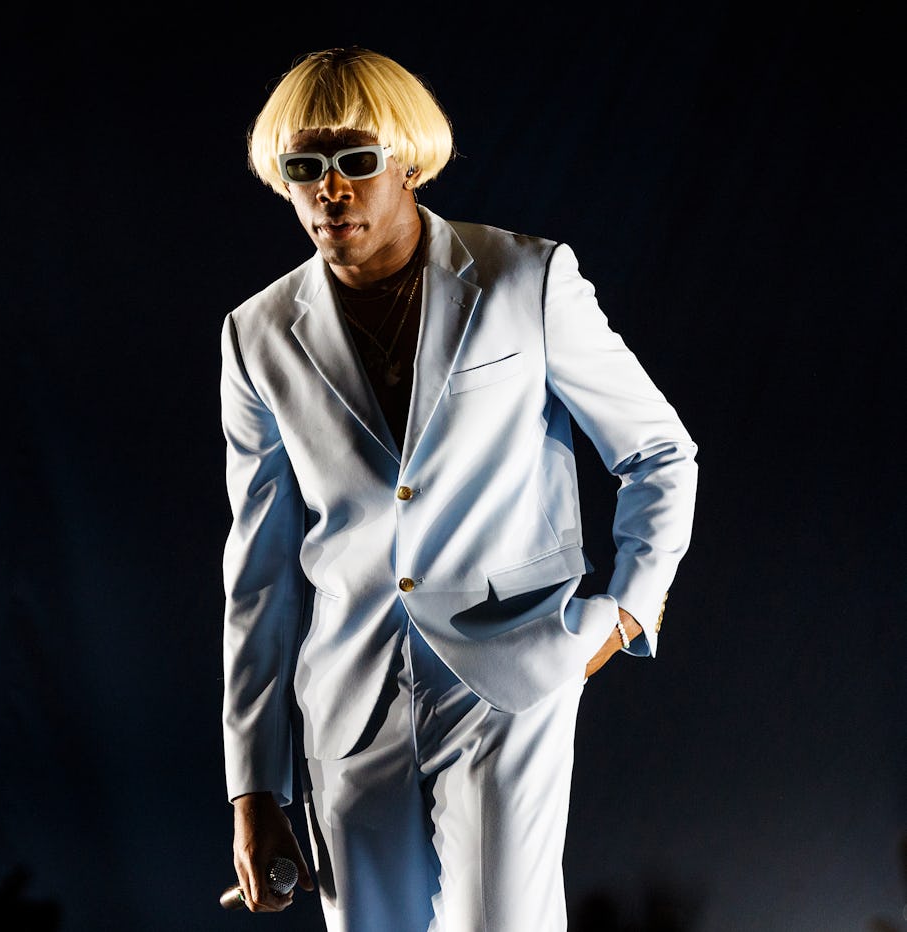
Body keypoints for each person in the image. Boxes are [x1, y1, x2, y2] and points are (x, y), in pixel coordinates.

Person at [218, 47, 698, 931]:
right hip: (347, 703)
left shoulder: (525, 277)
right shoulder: (257, 334)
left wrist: (627, 611)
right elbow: (259, 572)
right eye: (304, 168)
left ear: (407, 159)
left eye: (356, 161)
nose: (331, 190)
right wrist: (253, 786)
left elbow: (660, 452)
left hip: (511, 671)